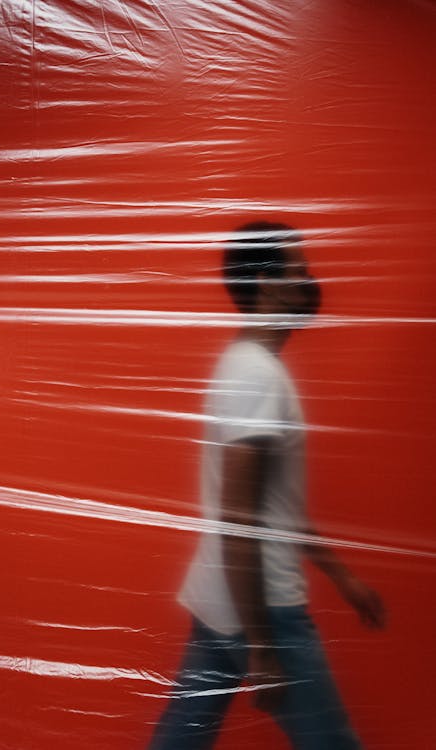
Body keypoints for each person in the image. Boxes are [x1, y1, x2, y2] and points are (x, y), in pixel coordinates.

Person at [147, 221, 386, 750]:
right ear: (266, 281)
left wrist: (342, 577)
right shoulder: (256, 376)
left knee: (179, 742)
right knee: (331, 743)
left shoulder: (249, 366)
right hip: (264, 608)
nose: (309, 281)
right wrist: (262, 646)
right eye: (301, 269)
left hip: (218, 597)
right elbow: (239, 520)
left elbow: (275, 509)